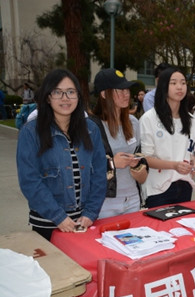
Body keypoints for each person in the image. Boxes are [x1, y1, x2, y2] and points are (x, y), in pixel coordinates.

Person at [16, 69, 107, 241]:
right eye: (58, 92)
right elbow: (29, 181)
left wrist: (90, 213)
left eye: (71, 92)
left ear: (78, 97)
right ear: (48, 97)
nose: (65, 98)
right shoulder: (30, 132)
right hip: (47, 224)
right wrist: (59, 217)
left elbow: (99, 175)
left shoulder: (91, 129)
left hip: (84, 223)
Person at [140, 66, 195, 208]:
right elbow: (146, 158)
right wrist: (174, 165)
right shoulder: (150, 118)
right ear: (163, 86)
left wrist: (194, 161)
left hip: (185, 185)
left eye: (183, 83)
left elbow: (189, 151)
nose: (179, 87)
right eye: (173, 83)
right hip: (158, 189)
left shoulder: (192, 120)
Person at [92, 68, 148, 219]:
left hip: (133, 199)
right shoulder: (91, 127)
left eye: (127, 89)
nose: (126, 94)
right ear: (104, 94)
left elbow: (142, 160)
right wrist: (112, 163)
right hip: (105, 203)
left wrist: (138, 166)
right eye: (120, 90)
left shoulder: (134, 123)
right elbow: (84, 167)